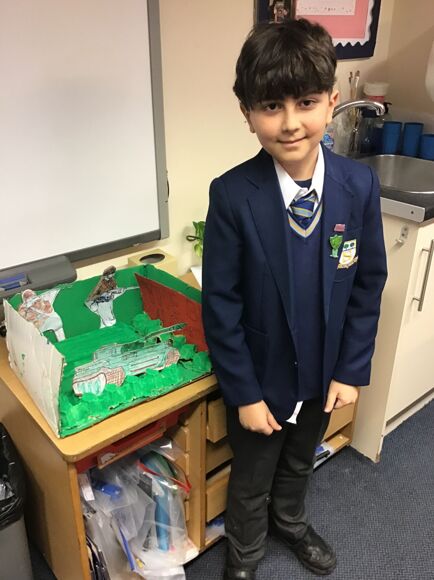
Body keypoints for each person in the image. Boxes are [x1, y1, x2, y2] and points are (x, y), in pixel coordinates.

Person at [201, 18, 387, 580]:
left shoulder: (358, 186)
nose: (289, 123)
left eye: (305, 102)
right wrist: (244, 394)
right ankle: (244, 553)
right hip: (262, 381)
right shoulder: (232, 195)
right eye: (270, 106)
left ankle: (292, 522)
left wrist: (350, 370)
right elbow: (222, 306)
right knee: (252, 475)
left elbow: (367, 284)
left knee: (300, 463)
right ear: (247, 113)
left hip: (325, 374)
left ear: (331, 102)